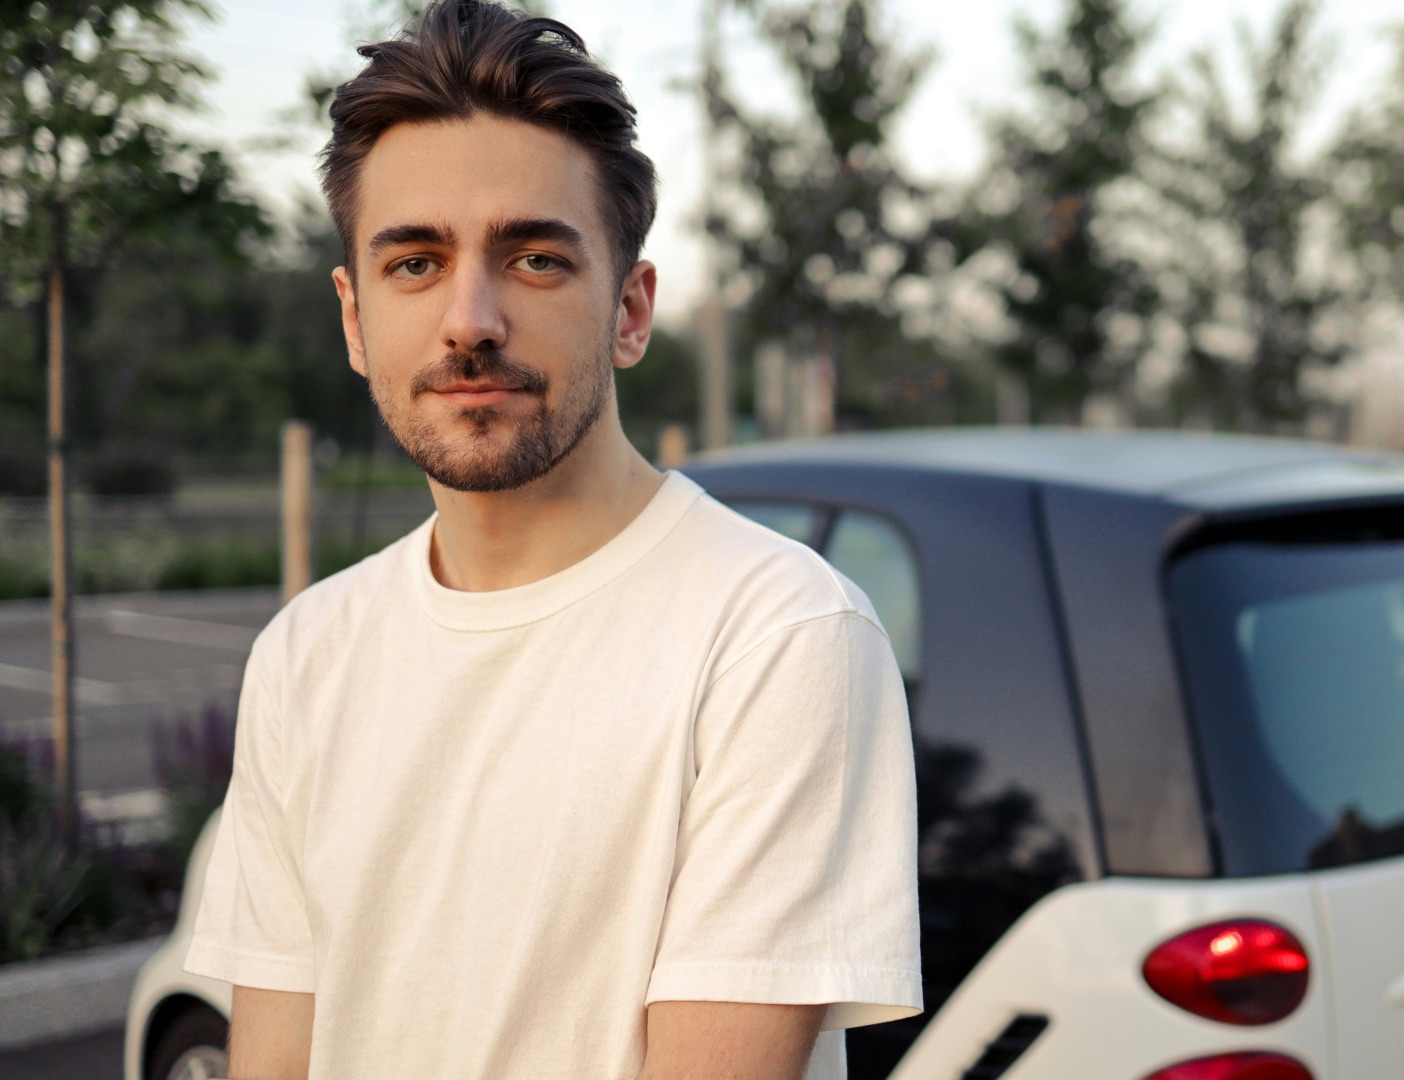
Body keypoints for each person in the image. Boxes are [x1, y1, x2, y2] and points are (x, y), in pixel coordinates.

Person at [182, 3, 921, 1077]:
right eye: (415, 263)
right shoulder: (307, 655)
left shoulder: (775, 636)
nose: (470, 317)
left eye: (533, 259)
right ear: (352, 319)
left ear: (630, 310)